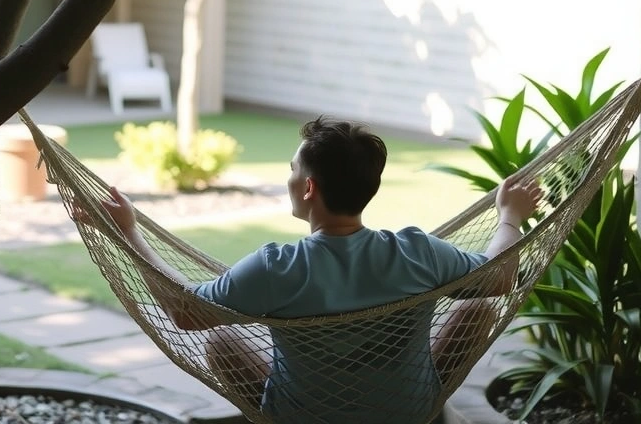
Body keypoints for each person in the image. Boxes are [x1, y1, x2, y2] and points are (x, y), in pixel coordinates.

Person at [99, 116, 542, 424]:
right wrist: (510, 217)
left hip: (302, 418)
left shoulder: (277, 268)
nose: (289, 177)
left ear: (308, 187)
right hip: (405, 412)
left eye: (292, 170)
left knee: (220, 337)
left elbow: (186, 313)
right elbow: (499, 277)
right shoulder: (418, 251)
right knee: (476, 310)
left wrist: (129, 233)